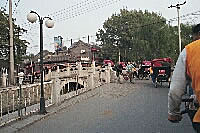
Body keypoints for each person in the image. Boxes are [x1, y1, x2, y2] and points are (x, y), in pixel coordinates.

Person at [168, 24, 200, 132]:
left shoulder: (190, 50)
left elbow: (175, 90)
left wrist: (174, 113)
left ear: (198, 34)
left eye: (194, 38)